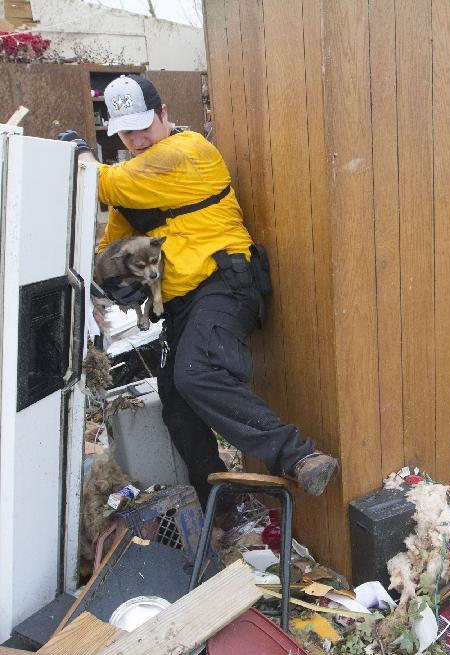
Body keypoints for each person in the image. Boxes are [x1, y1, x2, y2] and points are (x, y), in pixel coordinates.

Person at [61, 74, 338, 503]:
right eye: (126, 132)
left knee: (197, 374)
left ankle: (299, 457)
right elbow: (111, 243)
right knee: (177, 406)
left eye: (143, 126)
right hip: (182, 302)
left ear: (164, 114)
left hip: (222, 286)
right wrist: (106, 284)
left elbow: (105, 183)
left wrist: (78, 158)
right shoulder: (135, 176)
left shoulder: (187, 151)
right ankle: (224, 511)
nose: (136, 139)